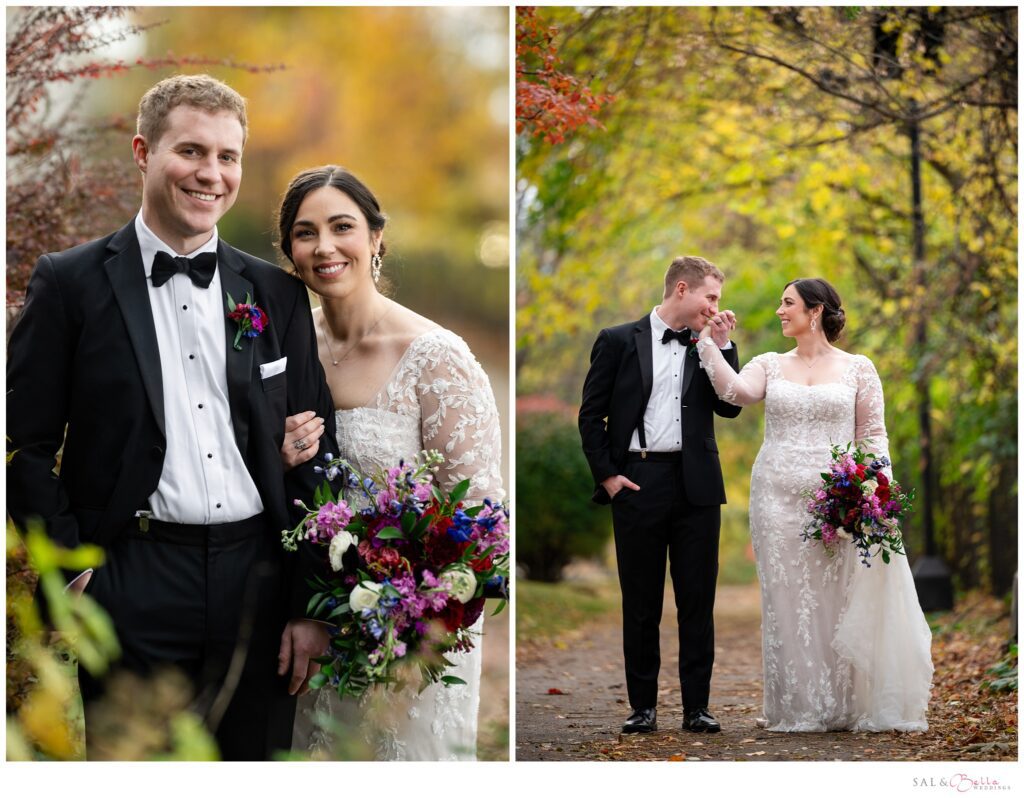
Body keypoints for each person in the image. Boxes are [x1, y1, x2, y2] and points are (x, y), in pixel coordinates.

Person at [7, 74, 333, 760]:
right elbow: (22, 445)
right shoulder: (69, 284)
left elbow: (315, 454)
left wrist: (310, 602)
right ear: (142, 152)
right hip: (132, 581)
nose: (211, 173)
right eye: (191, 151)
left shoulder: (276, 292)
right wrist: (76, 575)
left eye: (228, 156)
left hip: (260, 582)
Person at [275, 165, 504, 760]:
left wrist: (409, 622)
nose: (324, 246)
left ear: (376, 238)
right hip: (310, 626)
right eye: (306, 233)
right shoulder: (289, 352)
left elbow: (481, 522)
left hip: (410, 639)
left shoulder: (434, 356)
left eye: (341, 226)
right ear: (290, 252)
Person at [695, 277, 933, 731]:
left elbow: (873, 435)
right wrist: (712, 345)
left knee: (838, 595)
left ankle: (844, 702)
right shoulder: (768, 363)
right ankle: (798, 706)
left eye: (787, 303)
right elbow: (737, 394)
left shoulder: (859, 368)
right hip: (775, 497)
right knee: (787, 598)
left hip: (837, 499)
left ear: (816, 310)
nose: (780, 311)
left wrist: (872, 489)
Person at [578, 256, 742, 735]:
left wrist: (723, 346)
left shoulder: (708, 345)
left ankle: (697, 709)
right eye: (711, 297)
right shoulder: (615, 340)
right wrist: (608, 476)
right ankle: (642, 708)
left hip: (697, 487)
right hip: (638, 482)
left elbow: (728, 407)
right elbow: (591, 416)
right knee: (641, 601)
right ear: (683, 289)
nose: (715, 308)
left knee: (697, 601)